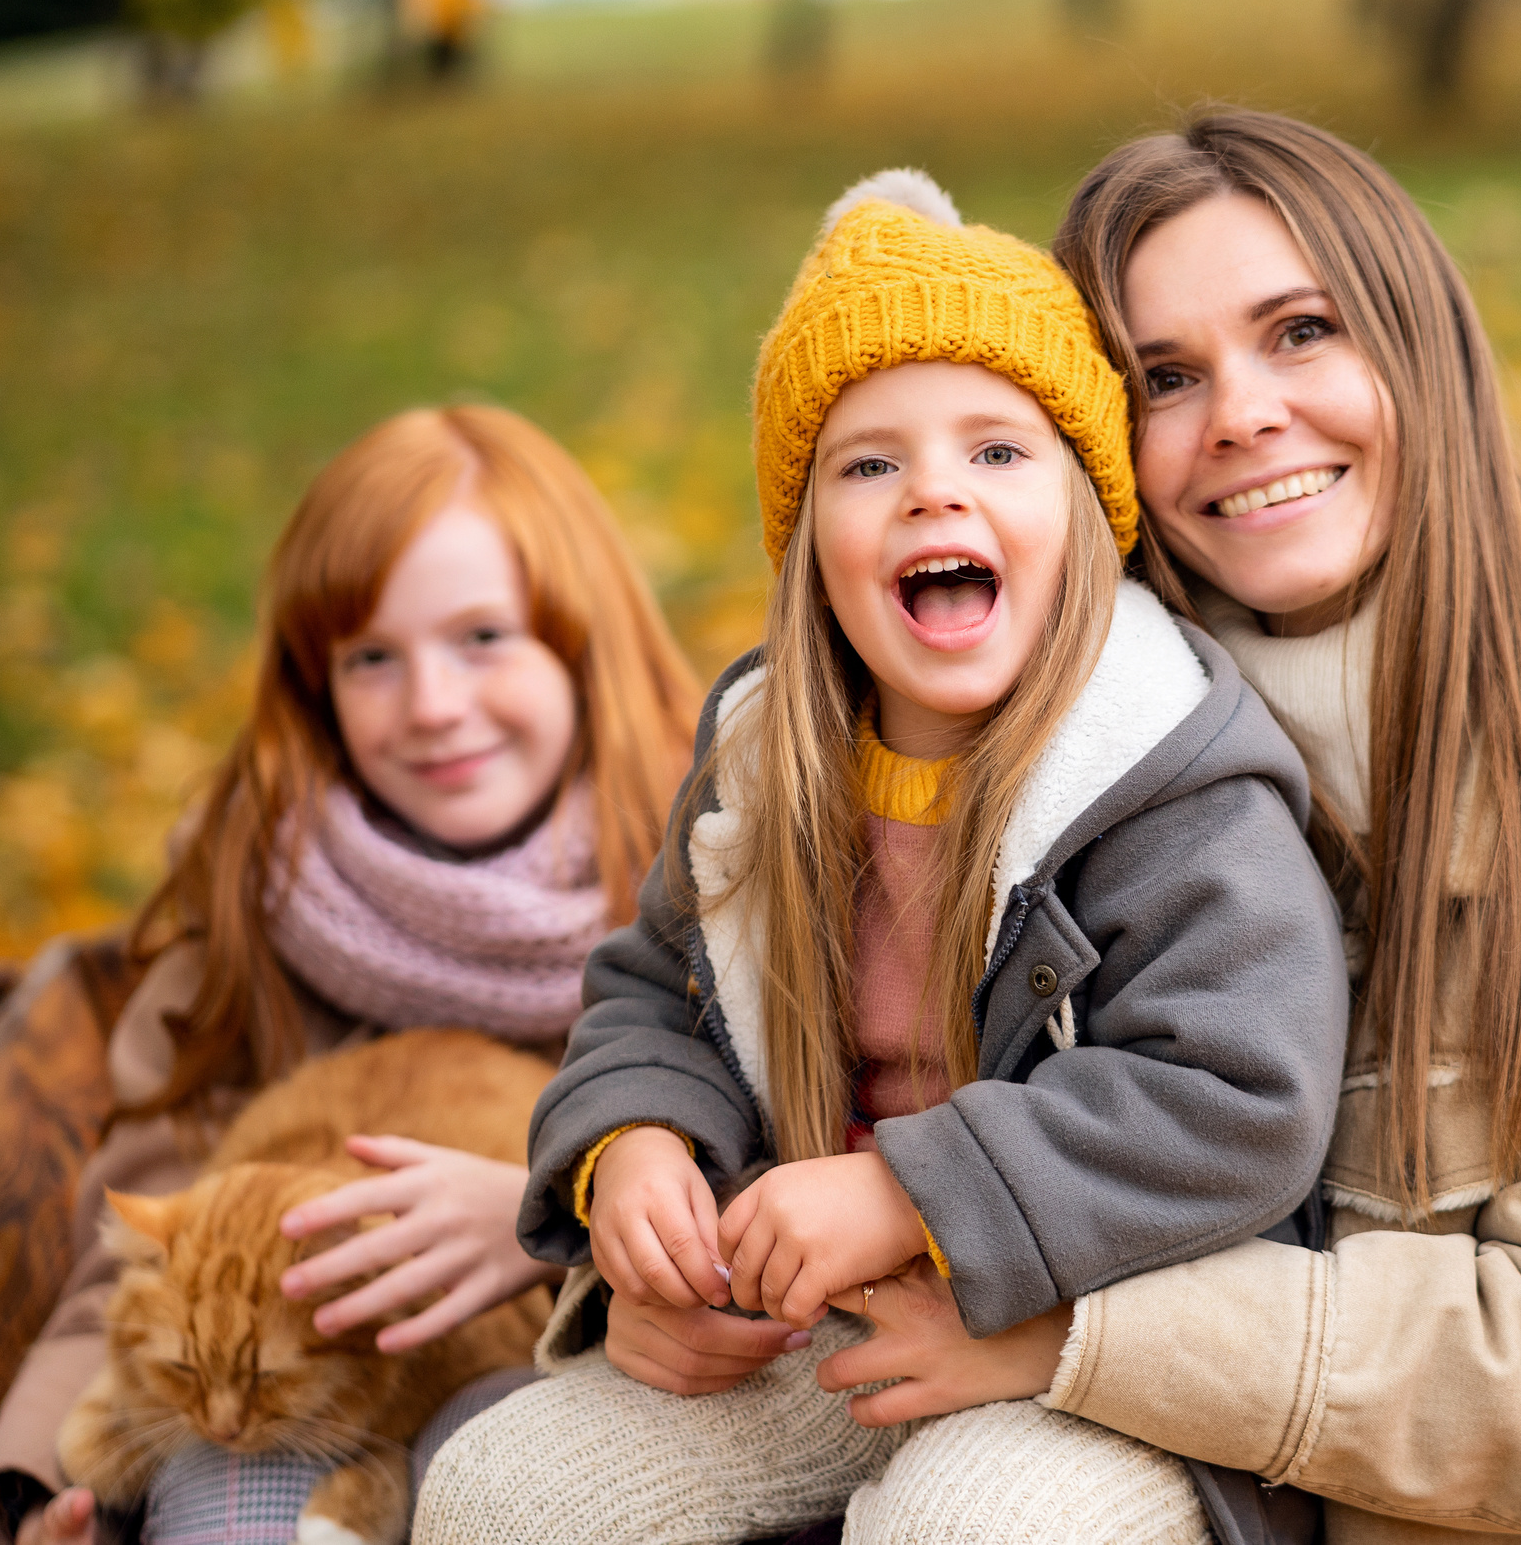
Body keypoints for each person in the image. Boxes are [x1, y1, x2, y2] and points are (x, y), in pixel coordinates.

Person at [623, 111, 1521, 1544]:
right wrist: (629, 1221)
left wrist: (1074, 1331)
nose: (1240, 414)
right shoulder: (1044, 770)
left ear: (1422, 351)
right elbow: (780, 1047)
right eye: (1166, 374)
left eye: (1301, 331)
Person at [411, 169, 1349, 1545]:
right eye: (870, 462)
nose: (931, 495)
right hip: (822, 1317)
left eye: (997, 451)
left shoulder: (1164, 776)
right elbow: (651, 988)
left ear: (1089, 511)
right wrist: (636, 1148)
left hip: (1103, 1339)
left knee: (968, 1530)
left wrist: (914, 1185)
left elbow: (1237, 1095)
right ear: (809, 543)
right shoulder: (765, 762)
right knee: (505, 1496)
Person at [0, 404, 702, 1545]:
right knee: (237, 1511)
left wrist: (534, 1219)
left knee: (513, 1479)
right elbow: (143, 1265)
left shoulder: (715, 869)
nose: (432, 705)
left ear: (582, 644)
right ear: (315, 685)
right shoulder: (261, 901)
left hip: (592, 1382)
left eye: (482, 639)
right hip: (285, 1411)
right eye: (371, 658)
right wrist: (55, 1489)